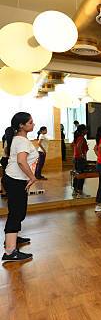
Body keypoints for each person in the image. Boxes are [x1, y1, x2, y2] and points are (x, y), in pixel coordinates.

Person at [2, 112, 38, 263]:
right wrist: (32, 177)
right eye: (30, 122)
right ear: (21, 126)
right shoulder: (21, 141)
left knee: (18, 211)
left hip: (15, 179)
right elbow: (21, 161)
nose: (33, 124)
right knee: (16, 213)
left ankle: (13, 238)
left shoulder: (18, 139)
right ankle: (10, 252)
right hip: (15, 180)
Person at [72, 124, 89, 198]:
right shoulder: (81, 138)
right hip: (80, 159)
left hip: (76, 158)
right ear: (83, 131)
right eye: (86, 129)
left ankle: (76, 190)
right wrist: (82, 154)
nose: (87, 131)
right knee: (81, 175)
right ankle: (79, 192)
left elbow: (72, 145)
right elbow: (78, 146)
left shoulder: (77, 137)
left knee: (77, 174)